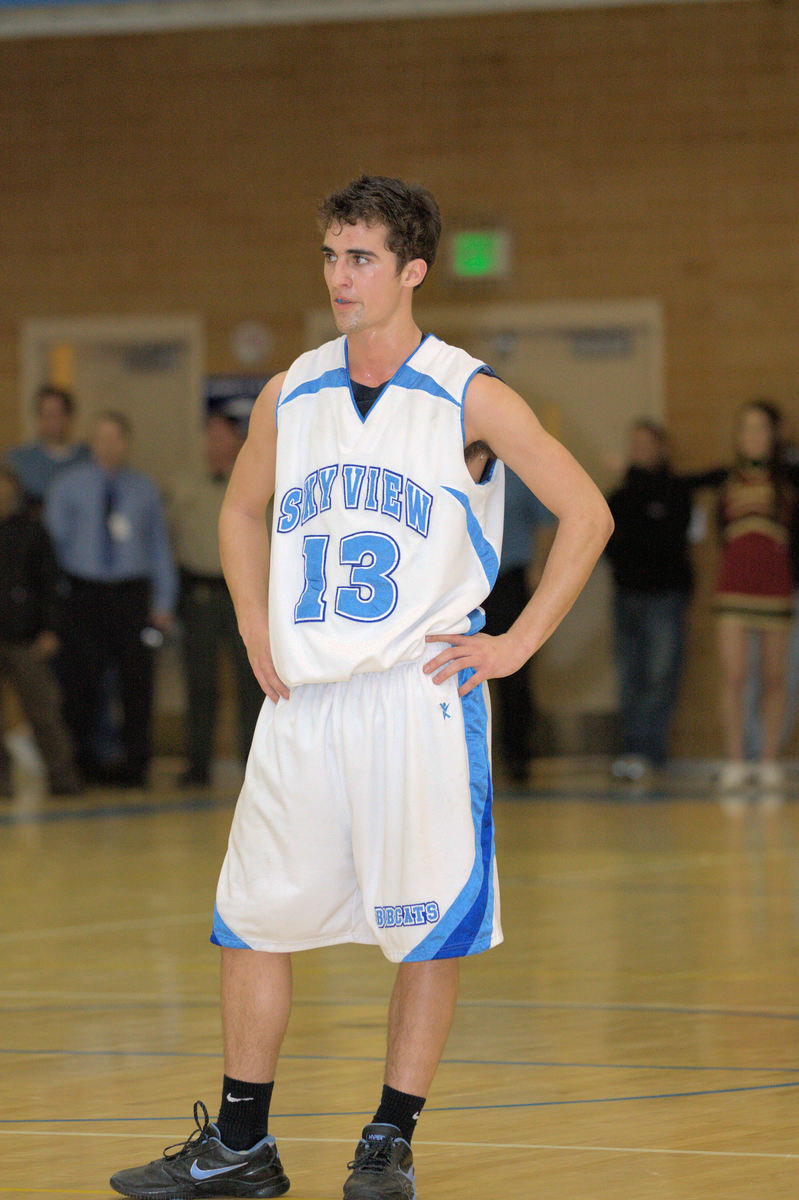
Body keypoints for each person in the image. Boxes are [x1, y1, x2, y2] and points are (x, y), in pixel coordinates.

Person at [109, 175, 612, 1200]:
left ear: (412, 269)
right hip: (303, 703)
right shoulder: (290, 388)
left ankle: (389, 1139)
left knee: (426, 930)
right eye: (331, 256)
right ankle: (240, 1144)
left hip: (416, 698)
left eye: (361, 258)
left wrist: (514, 642)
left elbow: (585, 513)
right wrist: (252, 620)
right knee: (249, 917)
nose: (340, 277)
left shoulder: (470, 395)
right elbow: (241, 511)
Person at [44, 411, 176, 788]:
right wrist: (57, 604)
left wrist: (163, 601)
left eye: (115, 438)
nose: (108, 446)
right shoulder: (68, 486)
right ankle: (81, 765)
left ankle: (135, 765)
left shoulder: (144, 489)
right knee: (81, 684)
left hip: (131, 594)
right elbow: (51, 549)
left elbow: (158, 547)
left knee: (137, 684)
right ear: (93, 443)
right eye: (101, 438)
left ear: (126, 443)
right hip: (84, 594)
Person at [690, 399, 799, 792]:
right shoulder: (726, 480)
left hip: (776, 587)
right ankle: (736, 760)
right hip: (734, 585)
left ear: (774, 435)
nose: (753, 436)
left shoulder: (788, 481)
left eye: (761, 428)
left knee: (774, 678)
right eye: (746, 428)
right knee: (734, 676)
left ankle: (768, 760)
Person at [170, 404, 265, 787]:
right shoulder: (186, 482)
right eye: (208, 435)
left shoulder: (257, 479)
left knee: (253, 681)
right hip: (201, 593)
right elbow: (172, 537)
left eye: (221, 435)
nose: (213, 442)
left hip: (247, 592)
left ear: (237, 439)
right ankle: (198, 764)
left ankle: (254, 764)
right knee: (199, 681)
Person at [605, 419, 695, 781]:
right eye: (634, 444)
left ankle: (648, 751)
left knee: (660, 675)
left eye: (646, 444)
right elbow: (610, 543)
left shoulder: (674, 491)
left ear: (661, 448)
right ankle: (631, 750)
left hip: (664, 596)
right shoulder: (619, 496)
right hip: (627, 595)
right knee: (630, 675)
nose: (638, 451)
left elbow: (669, 539)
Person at [0, 464, 81, 798]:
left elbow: (50, 583)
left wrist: (50, 629)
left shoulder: (32, 531)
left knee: (44, 711)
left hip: (26, 637)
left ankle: (63, 777)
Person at [482, 466, 555, 781]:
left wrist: (540, 567)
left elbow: (546, 522)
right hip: (470, 585)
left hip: (512, 577)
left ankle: (517, 755)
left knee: (516, 673)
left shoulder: (519, 470)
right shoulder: (454, 459)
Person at [5, 384, 89, 512]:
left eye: (57, 415)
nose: (52, 422)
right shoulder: (19, 461)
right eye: (46, 415)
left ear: (69, 417)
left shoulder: (87, 459)